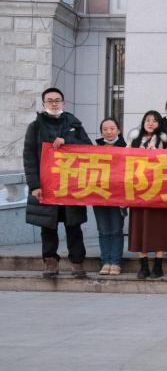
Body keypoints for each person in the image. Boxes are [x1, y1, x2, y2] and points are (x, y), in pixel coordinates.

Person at [23, 87, 93, 278]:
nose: (54, 103)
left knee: (74, 226)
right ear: (43, 103)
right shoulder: (35, 127)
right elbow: (29, 157)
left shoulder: (74, 124)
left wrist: (67, 140)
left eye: (57, 100)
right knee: (48, 226)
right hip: (46, 186)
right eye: (50, 100)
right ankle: (50, 262)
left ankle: (77, 262)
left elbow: (88, 148)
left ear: (63, 102)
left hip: (70, 186)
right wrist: (34, 185)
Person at [127, 111, 167, 279]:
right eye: (147, 120)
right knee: (140, 226)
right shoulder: (134, 140)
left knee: (159, 227)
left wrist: (158, 154)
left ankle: (158, 265)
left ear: (159, 124)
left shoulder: (164, 140)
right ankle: (144, 265)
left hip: (159, 190)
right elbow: (125, 161)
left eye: (154, 121)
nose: (150, 123)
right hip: (138, 191)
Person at [93, 117, 126, 276]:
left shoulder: (126, 147)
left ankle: (116, 262)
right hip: (99, 194)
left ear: (118, 130)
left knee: (116, 229)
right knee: (103, 230)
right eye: (105, 129)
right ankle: (105, 261)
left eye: (112, 128)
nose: (109, 132)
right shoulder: (94, 149)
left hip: (119, 195)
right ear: (101, 132)